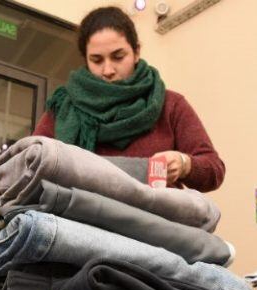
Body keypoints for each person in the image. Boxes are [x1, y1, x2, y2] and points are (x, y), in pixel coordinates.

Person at [32, 6, 225, 192]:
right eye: (97, 60)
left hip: (154, 221)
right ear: (86, 59)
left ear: (137, 51)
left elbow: (214, 170)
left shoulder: (170, 105)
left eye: (118, 56)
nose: (108, 70)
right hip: (80, 219)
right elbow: (29, 163)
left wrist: (184, 164)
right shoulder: (65, 107)